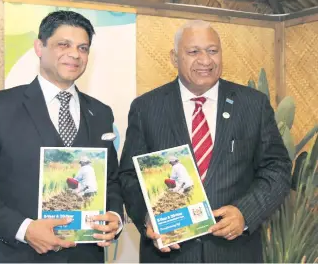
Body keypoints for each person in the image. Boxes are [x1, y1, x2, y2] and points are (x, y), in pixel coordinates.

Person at [0, 11, 123, 263]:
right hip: (19, 256)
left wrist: (114, 216)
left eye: (83, 47)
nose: (75, 54)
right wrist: (25, 229)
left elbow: (111, 180)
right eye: (63, 44)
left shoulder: (100, 112)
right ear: (39, 47)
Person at [119, 20, 292, 263]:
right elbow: (129, 175)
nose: (205, 60)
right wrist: (149, 217)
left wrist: (245, 212)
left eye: (213, 51)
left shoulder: (253, 104)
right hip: (169, 254)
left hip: (234, 253)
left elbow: (278, 168)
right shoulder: (146, 107)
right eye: (193, 52)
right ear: (174, 57)